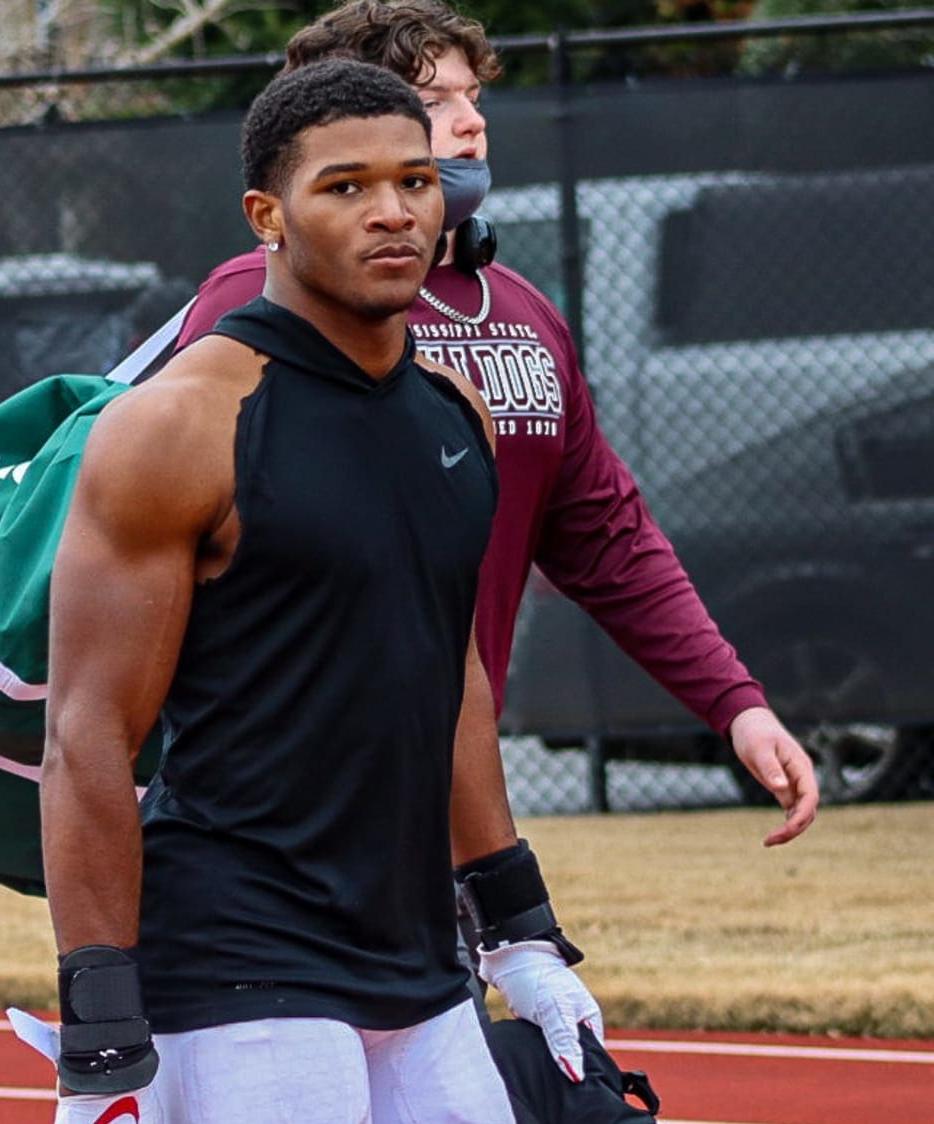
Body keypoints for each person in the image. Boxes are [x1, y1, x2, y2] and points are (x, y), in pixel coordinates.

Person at [38, 57, 585, 1124]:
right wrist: (99, 1048)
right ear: (268, 217)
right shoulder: (179, 427)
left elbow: (452, 680)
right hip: (238, 948)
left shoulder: (456, 412)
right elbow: (87, 735)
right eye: (345, 187)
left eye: (416, 181)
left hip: (416, 951)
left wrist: (521, 930)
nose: (394, 212)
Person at [176, 0, 819, 846]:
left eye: (473, 96)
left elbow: (605, 536)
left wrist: (735, 704)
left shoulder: (522, 312)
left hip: (446, 789)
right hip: (278, 799)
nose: (472, 123)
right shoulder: (253, 301)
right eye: (436, 101)